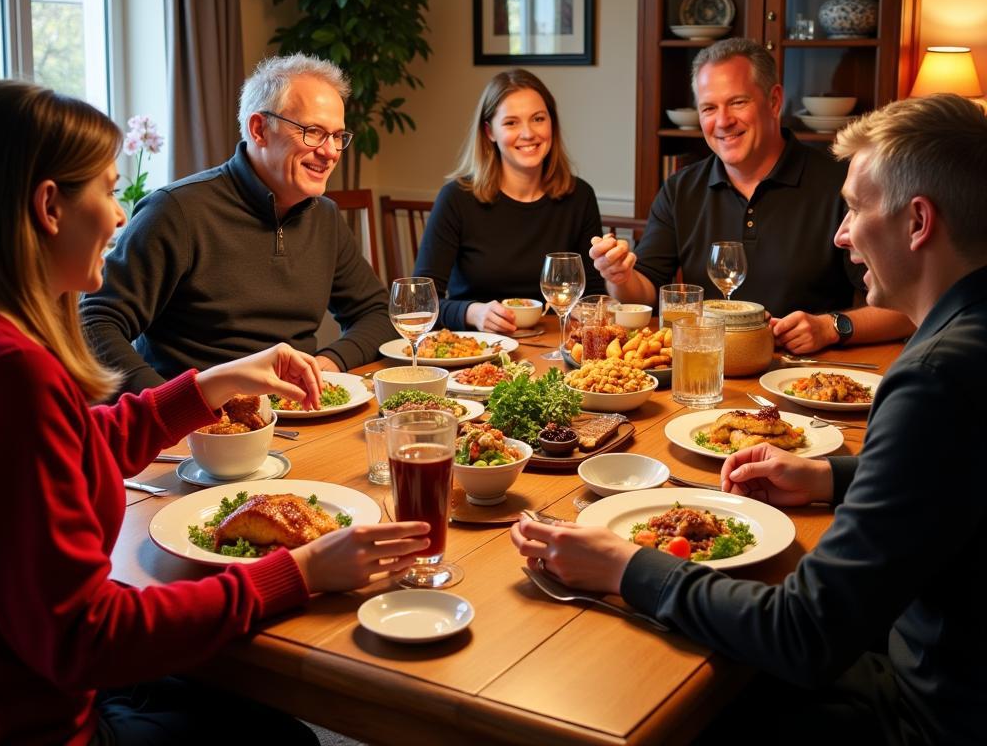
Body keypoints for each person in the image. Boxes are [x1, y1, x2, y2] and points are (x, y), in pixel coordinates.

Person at [0, 81, 429, 745]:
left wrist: (206, 386)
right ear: (48, 207)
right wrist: (296, 573)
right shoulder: (15, 374)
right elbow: (84, 637)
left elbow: (76, 444)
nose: (120, 216)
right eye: (107, 189)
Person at [513, 93, 987, 745]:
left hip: (929, 715)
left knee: (636, 695)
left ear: (918, 222)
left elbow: (804, 632)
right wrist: (828, 476)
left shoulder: (933, 377)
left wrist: (624, 568)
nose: (841, 235)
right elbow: (956, 475)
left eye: (854, 209)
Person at [81, 55, 396, 394]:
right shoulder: (177, 211)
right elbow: (94, 323)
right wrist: (168, 407)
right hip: (201, 429)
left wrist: (325, 364)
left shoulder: (325, 217)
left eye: (337, 136)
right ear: (259, 129)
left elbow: (377, 314)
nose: (331, 151)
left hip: (297, 414)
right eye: (313, 132)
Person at [589, 38, 912, 352]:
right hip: (708, 372)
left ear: (774, 101)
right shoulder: (680, 188)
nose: (723, 121)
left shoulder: (842, 183)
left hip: (806, 377)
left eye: (737, 102)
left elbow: (905, 310)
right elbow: (644, 293)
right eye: (708, 108)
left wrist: (831, 327)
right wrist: (620, 276)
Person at [414, 69, 605, 332]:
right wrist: (472, 312)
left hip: (553, 344)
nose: (528, 134)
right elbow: (420, 302)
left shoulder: (579, 196)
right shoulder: (456, 199)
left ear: (552, 123)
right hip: (477, 350)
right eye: (511, 123)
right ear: (489, 131)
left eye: (538, 118)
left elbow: (592, 293)